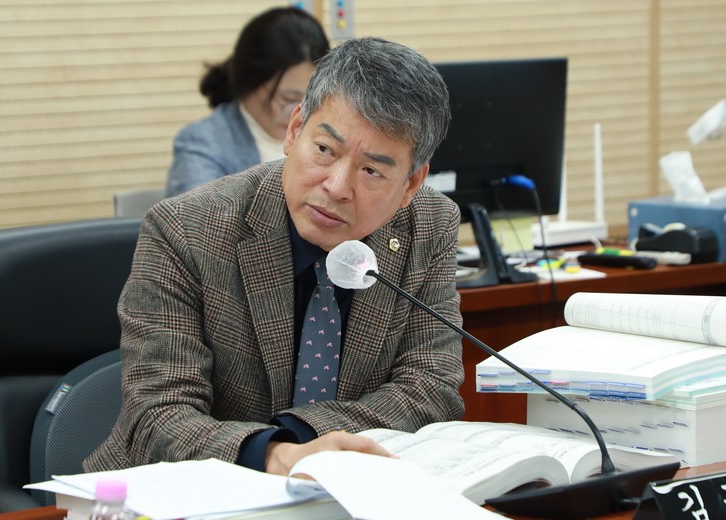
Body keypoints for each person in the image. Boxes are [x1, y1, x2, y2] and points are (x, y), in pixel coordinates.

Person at [85, 36, 464, 477]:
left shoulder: (429, 225)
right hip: (179, 493)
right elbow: (157, 417)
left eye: (371, 170)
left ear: (411, 184)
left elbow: (432, 386)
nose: (337, 186)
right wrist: (274, 454)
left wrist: (304, 439)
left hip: (342, 491)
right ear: (294, 129)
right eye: (324, 150)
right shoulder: (185, 230)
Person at [164, 7, 329, 197]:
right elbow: (200, 214)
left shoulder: (328, 137)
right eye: (289, 99)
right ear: (250, 81)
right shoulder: (204, 143)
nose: (299, 113)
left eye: (310, 99)